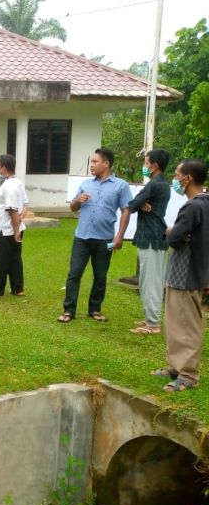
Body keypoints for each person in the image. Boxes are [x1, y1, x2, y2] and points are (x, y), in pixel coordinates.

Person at [150, 160, 209, 392]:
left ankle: (188, 375)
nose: (175, 179)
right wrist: (179, 233)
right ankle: (176, 366)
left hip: (186, 274)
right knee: (175, 323)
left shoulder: (194, 206)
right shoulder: (203, 204)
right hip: (185, 274)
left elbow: (174, 238)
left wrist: (172, 231)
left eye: (177, 175)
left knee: (187, 325)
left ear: (188, 179)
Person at [58, 147, 132, 323]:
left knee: (100, 275)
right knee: (74, 274)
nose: (91, 165)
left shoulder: (121, 186)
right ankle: (69, 310)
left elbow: (126, 211)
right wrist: (77, 200)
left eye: (95, 162)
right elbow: (73, 208)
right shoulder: (86, 184)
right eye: (91, 162)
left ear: (106, 164)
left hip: (105, 239)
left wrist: (119, 236)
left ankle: (95, 309)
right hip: (82, 238)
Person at [128, 148, 171, 334]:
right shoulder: (161, 184)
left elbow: (131, 205)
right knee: (150, 280)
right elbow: (137, 204)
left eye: (146, 163)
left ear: (154, 166)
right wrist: (139, 204)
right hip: (155, 236)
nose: (144, 166)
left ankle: (152, 324)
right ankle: (149, 318)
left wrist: (139, 204)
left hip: (151, 237)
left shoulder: (154, 185)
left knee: (150, 282)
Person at [0, 155, 27, 298]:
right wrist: (19, 225)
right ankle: (17, 288)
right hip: (14, 228)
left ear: (3, 167)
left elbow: (12, 210)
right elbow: (25, 206)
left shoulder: (9, 186)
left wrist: (15, 230)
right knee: (15, 259)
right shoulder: (18, 183)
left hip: (6, 230)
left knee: (1, 260)